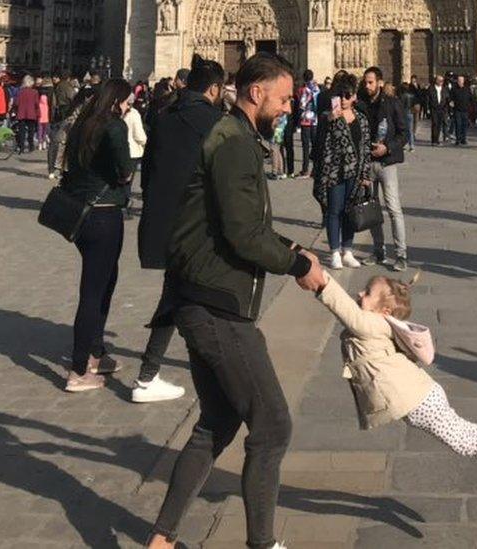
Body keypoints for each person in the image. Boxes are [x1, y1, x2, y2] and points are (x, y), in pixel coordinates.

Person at [146, 52, 325, 549]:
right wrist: (296, 266)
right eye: (285, 97)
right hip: (216, 302)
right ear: (255, 92)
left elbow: (245, 224)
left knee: (218, 422)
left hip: (202, 295)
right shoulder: (233, 142)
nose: (291, 106)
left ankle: (161, 542)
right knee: (272, 428)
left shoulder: (237, 136)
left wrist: (292, 249)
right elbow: (244, 234)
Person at [313, 272, 477, 500]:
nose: (360, 294)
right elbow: (352, 314)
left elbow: (347, 312)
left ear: (385, 312)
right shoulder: (374, 322)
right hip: (417, 396)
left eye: (368, 293)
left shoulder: (372, 323)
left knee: (461, 441)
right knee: (463, 431)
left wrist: (322, 281)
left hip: (418, 399)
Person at [136, 55, 225, 404]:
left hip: (164, 221)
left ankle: (149, 373)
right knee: (203, 295)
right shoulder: (215, 121)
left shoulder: (162, 116)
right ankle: (151, 375)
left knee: (177, 294)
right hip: (198, 224)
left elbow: (148, 172)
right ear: (215, 89)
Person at [59, 79, 136, 392]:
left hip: (82, 215)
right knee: (94, 291)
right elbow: (125, 170)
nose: (130, 107)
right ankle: (79, 369)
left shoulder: (82, 125)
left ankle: (96, 352)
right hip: (104, 215)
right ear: (116, 101)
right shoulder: (113, 127)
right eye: (128, 102)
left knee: (103, 283)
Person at [315, 72, 371, 269]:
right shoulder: (328, 117)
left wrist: (365, 174)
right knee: (334, 211)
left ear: (355, 96)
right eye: (341, 95)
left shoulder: (362, 119)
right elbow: (319, 142)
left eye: (348, 95)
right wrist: (329, 119)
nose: (345, 100)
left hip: (355, 173)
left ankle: (347, 250)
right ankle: (334, 252)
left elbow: (365, 147)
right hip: (334, 172)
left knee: (350, 211)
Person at [359, 66, 410, 272]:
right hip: (369, 163)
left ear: (380, 82)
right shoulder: (361, 104)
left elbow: (403, 133)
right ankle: (378, 250)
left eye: (370, 82)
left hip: (387, 162)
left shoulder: (392, 103)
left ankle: (401, 254)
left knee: (393, 208)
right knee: (372, 209)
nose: (367, 85)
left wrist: (387, 147)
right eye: (365, 82)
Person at [296, 69, 320, 177]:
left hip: (305, 120)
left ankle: (305, 169)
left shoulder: (305, 90)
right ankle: (316, 169)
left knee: (306, 146)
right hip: (315, 120)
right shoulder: (316, 88)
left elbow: (302, 104)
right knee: (315, 146)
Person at [15, 75, 40, 154]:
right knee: (31, 131)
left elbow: (16, 103)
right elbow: (36, 104)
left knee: (21, 132)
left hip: (21, 113)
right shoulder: (35, 92)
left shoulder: (20, 92)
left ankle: (21, 147)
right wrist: (38, 113)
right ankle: (31, 146)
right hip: (31, 114)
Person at [450, 74, 473, 146]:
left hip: (465, 110)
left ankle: (463, 139)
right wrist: (451, 103)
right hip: (457, 110)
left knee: (464, 125)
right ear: (457, 81)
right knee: (458, 124)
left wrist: (471, 106)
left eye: (461, 80)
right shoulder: (454, 89)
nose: (460, 82)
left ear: (463, 81)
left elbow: (471, 98)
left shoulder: (467, 89)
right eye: (459, 80)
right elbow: (450, 98)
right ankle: (458, 139)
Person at [427, 74, 449, 146]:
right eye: (439, 80)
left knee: (439, 124)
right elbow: (427, 99)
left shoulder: (445, 89)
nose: (441, 82)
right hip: (434, 108)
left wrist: (447, 107)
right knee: (435, 124)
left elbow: (447, 98)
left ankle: (437, 139)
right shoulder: (431, 88)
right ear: (436, 81)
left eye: (442, 81)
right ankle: (434, 140)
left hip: (442, 108)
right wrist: (427, 108)